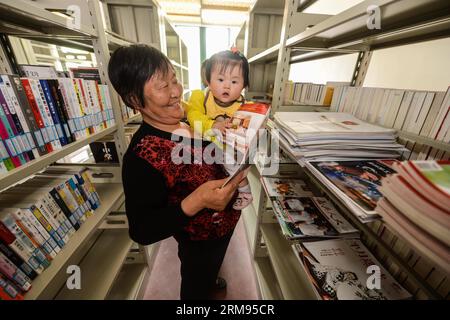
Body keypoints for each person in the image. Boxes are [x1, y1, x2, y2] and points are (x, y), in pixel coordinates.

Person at [108, 44, 246, 300]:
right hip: (198, 241)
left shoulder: (191, 118)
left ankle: (211, 277)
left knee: (210, 270)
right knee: (195, 287)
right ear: (135, 100)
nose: (175, 92)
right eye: (163, 87)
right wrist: (199, 200)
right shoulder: (142, 156)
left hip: (225, 226)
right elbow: (142, 230)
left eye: (175, 80)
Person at [186, 49, 253, 211]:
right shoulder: (200, 97)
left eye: (235, 82)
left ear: (244, 85)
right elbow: (192, 115)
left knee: (231, 165)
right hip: (204, 146)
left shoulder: (245, 106)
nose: (227, 86)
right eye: (221, 79)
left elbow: (250, 129)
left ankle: (245, 192)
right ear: (208, 81)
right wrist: (212, 125)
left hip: (229, 149)